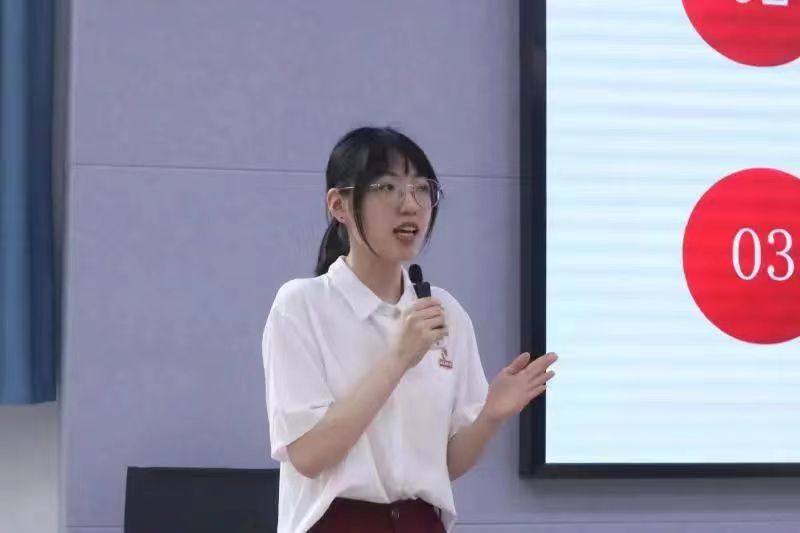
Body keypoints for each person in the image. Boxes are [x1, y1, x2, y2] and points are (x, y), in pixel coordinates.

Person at [261, 126, 557, 533]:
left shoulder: (446, 312)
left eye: (422, 189)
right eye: (387, 188)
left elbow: (444, 466)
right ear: (339, 205)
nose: (411, 205)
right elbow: (309, 456)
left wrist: (491, 415)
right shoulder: (302, 306)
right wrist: (398, 359)